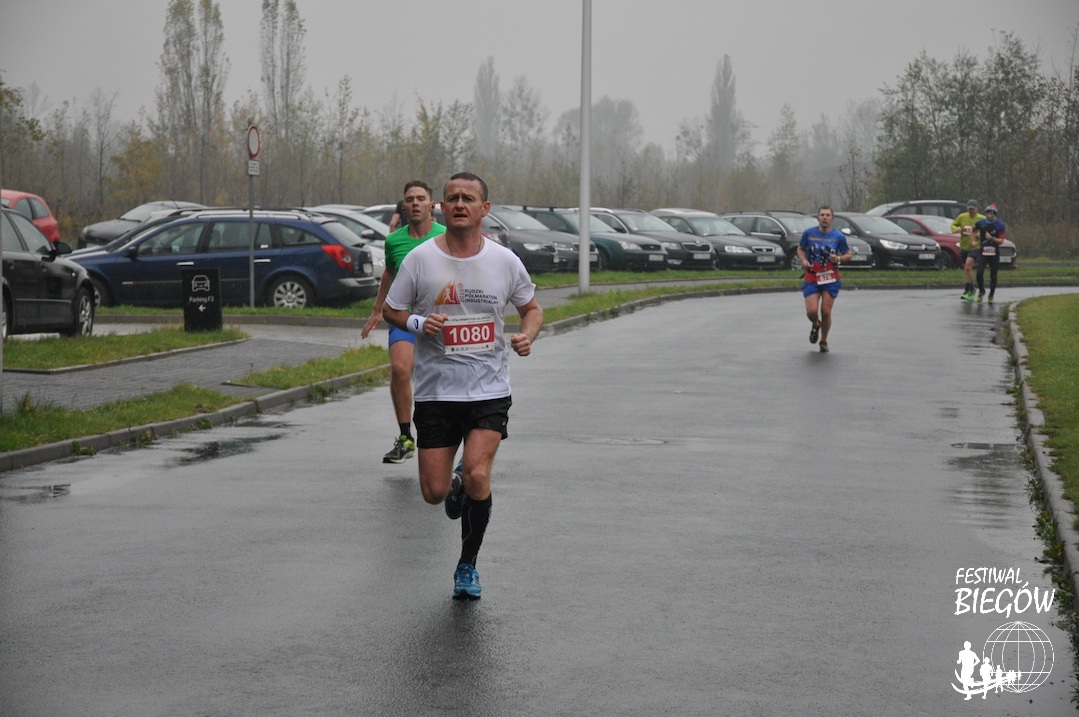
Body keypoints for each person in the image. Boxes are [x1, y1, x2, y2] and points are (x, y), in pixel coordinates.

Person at [383, 172, 543, 600]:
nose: (459, 204)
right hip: (436, 392)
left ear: (483, 209)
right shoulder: (420, 259)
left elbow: (532, 308)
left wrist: (528, 334)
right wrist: (419, 323)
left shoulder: (504, 261)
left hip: (489, 390)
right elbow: (392, 310)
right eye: (452, 197)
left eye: (468, 198)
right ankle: (454, 485)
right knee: (434, 493)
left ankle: (467, 565)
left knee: (477, 473)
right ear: (441, 207)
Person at [362, 181, 446, 463]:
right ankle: (406, 437)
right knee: (400, 369)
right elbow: (389, 272)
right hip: (405, 316)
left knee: (445, 377)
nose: (415, 203)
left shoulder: (445, 236)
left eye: (421, 198)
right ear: (404, 206)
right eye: (410, 199)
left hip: (440, 318)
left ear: (432, 205)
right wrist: (377, 309)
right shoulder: (394, 240)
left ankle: (451, 439)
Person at [797, 206, 852, 353]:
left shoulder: (838, 236)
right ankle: (816, 323)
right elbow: (800, 249)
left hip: (830, 277)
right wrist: (803, 260)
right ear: (818, 218)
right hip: (812, 276)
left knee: (826, 311)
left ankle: (823, 340)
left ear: (832, 218)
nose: (825, 218)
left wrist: (838, 258)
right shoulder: (809, 233)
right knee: (812, 311)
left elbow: (848, 255)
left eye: (828, 215)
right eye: (822, 215)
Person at [951, 199, 985, 301]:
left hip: (976, 247)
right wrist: (956, 229)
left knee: (968, 265)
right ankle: (971, 288)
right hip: (964, 246)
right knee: (967, 269)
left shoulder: (981, 218)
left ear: (977, 208)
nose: (971, 211)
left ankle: (967, 290)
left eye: (973, 209)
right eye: (969, 209)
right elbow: (953, 224)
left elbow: (988, 229)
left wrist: (980, 234)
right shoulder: (962, 216)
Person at [974, 203, 1006, 304]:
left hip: (994, 252)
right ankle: (981, 291)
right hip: (983, 251)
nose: (989, 216)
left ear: (994, 214)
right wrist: (974, 238)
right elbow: (972, 230)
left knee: (993, 275)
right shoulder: (981, 223)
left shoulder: (1000, 225)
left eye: (992, 214)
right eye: (988, 213)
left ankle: (991, 295)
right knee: (979, 273)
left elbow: (1001, 241)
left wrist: (991, 238)